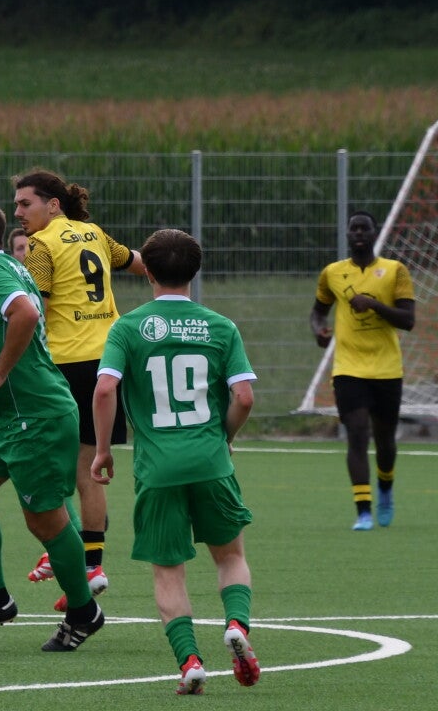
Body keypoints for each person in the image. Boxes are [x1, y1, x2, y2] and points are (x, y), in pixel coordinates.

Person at [92, 228, 260, 694]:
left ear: (146, 271)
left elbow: (105, 389)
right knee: (230, 556)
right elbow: (244, 397)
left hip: (157, 468)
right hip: (211, 463)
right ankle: (237, 625)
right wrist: (224, 437)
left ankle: (189, 663)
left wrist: (104, 450)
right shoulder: (221, 327)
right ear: (195, 271)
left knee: (168, 571)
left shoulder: (127, 327)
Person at [0, 199, 105, 653]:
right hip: (2, 416)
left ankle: (83, 612)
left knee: (45, 520)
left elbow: (27, 315)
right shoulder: (9, 267)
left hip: (33, 417)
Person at [12, 169, 147, 607]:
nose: (19, 213)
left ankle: (65, 551)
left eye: (25, 204)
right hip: (109, 361)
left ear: (53, 205)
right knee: (88, 468)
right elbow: (141, 262)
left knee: (50, 465)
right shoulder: (95, 233)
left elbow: (34, 308)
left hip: (67, 365)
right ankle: (90, 563)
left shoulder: (41, 245)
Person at [311, 209, 416, 530]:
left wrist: (375, 305)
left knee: (385, 441)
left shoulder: (395, 271)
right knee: (357, 434)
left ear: (374, 233)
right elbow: (318, 311)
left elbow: (408, 320)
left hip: (386, 369)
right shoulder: (332, 273)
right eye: (353, 228)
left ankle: (385, 488)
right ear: (347, 234)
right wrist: (319, 330)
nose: (358, 233)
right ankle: (363, 511)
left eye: (364, 228)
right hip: (348, 368)